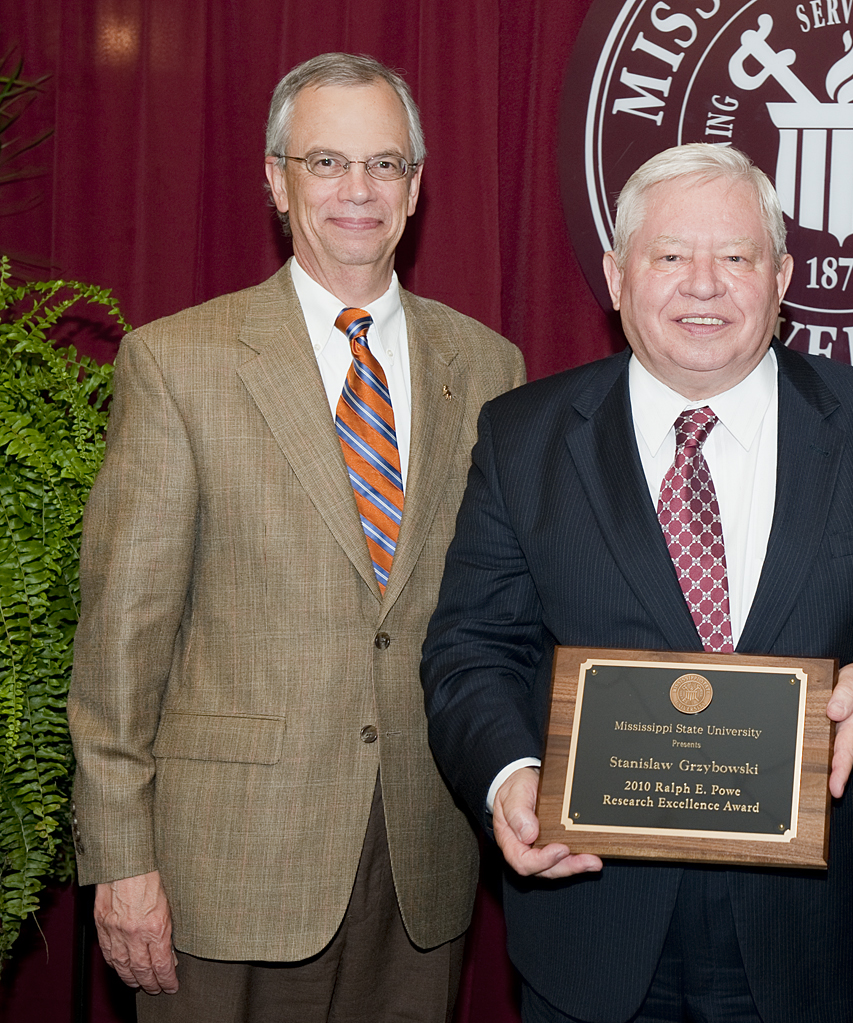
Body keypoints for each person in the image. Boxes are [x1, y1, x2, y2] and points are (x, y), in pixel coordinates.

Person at [421, 143, 853, 1023]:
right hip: (593, 921)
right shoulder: (524, 436)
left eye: (736, 257)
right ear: (616, 274)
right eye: (670, 256)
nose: (702, 285)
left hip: (815, 933)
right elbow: (472, 646)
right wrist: (512, 773)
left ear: (781, 275)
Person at [67, 52, 524, 1022]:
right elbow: (121, 640)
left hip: (421, 863)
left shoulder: (488, 365)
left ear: (416, 183)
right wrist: (120, 859)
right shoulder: (178, 363)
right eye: (325, 163)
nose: (358, 191)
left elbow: (505, 610)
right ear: (276, 180)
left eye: (385, 164)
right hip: (223, 872)